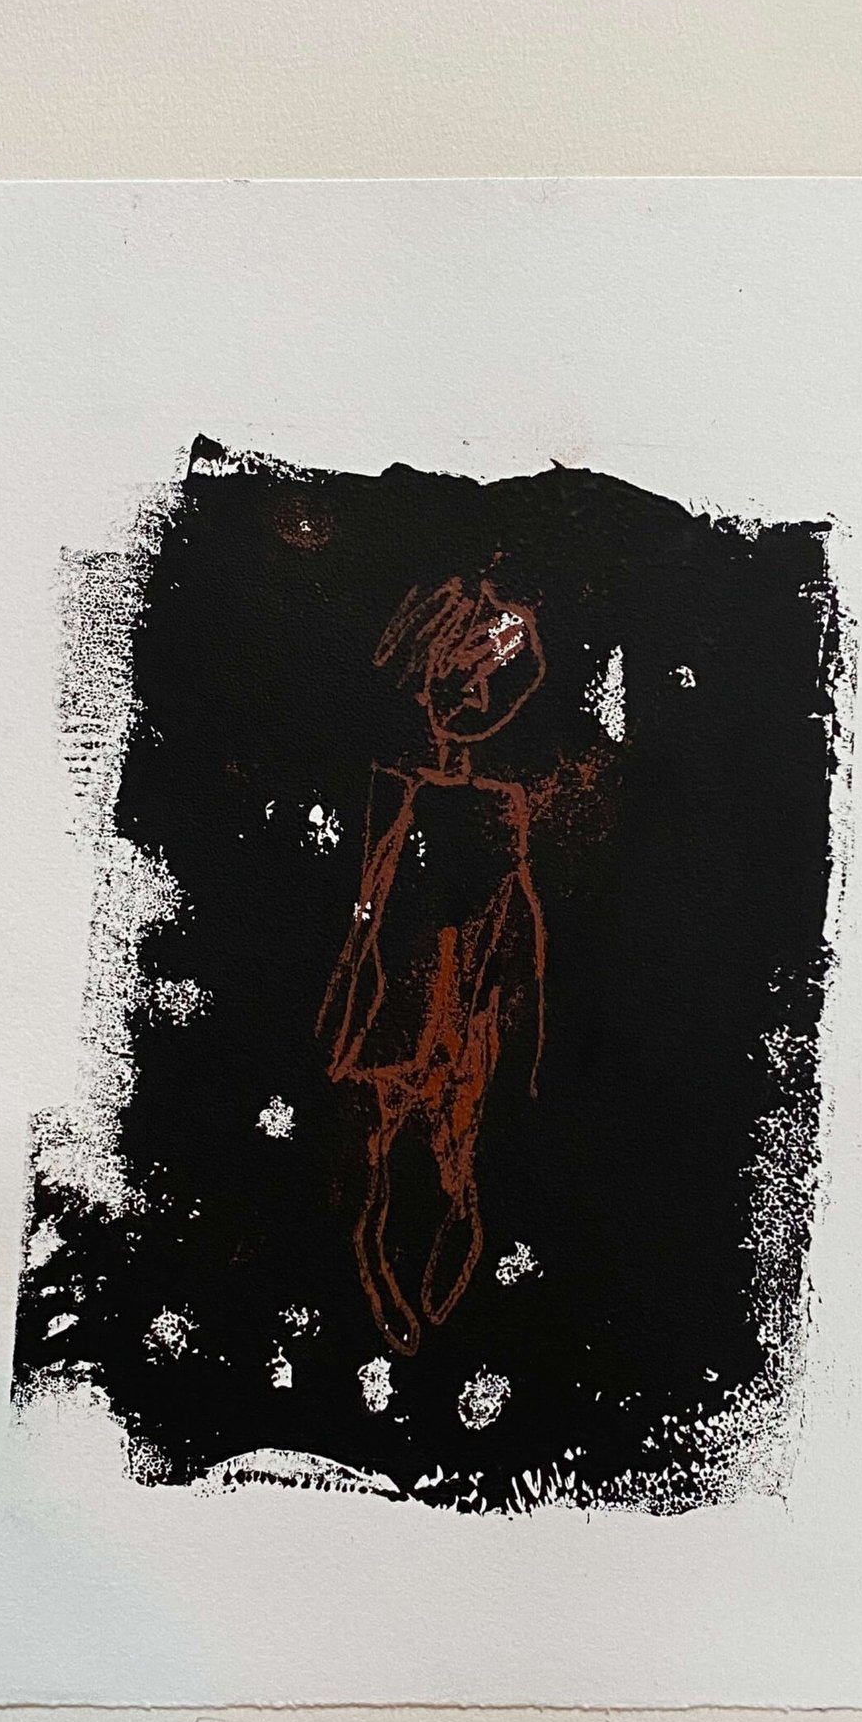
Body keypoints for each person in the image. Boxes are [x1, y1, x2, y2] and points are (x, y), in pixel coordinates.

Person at [318, 573, 547, 1355]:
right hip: (401, 994)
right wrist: (357, 976)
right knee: (376, 1142)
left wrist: (505, 1003)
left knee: (455, 1146)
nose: (478, 697)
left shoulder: (497, 802)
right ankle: (375, 1253)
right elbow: (368, 905)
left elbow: (513, 912)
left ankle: (452, 1227)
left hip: (461, 1001)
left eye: (492, 681)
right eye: (467, 674)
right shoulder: (394, 789)